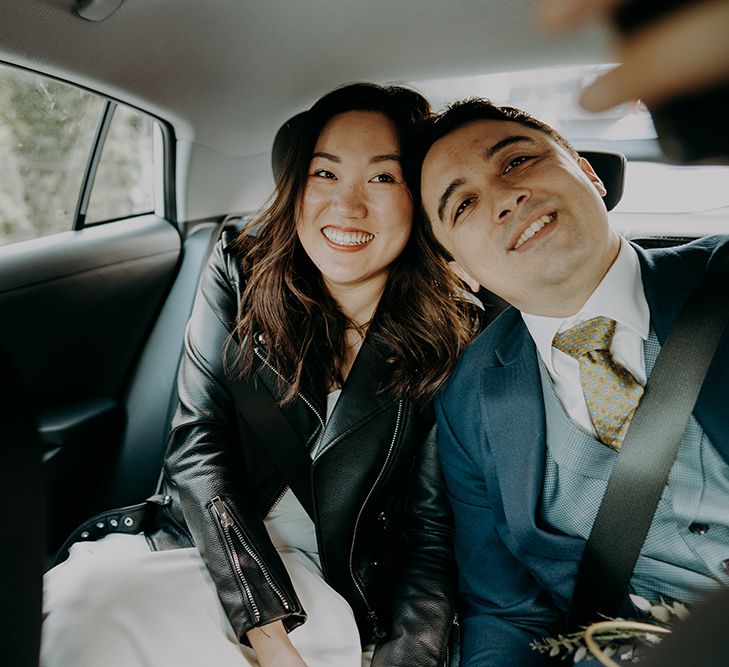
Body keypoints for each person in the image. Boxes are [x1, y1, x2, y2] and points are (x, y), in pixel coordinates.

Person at [41, 83, 479, 667]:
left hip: (343, 586)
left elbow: (432, 533)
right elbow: (199, 445)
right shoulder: (241, 267)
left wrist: (406, 656)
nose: (347, 207)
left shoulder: (458, 328)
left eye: (382, 178)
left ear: (417, 196)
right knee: (85, 614)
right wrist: (266, 636)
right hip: (210, 546)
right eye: (325, 174)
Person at [415, 99, 729, 665]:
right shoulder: (468, 401)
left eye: (516, 163)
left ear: (587, 173)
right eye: (463, 205)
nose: (505, 198)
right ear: (456, 265)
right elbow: (508, 612)